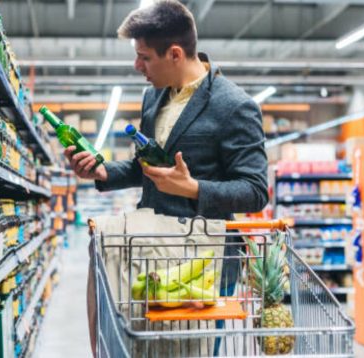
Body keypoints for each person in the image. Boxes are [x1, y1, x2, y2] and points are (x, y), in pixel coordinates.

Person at [66, 0, 268, 354]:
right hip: (152, 253)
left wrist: (193, 188)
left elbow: (254, 191)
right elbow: (145, 167)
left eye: (144, 57)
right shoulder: (153, 97)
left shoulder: (234, 105)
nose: (136, 66)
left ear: (175, 54)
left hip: (205, 259)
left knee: (193, 350)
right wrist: (102, 172)